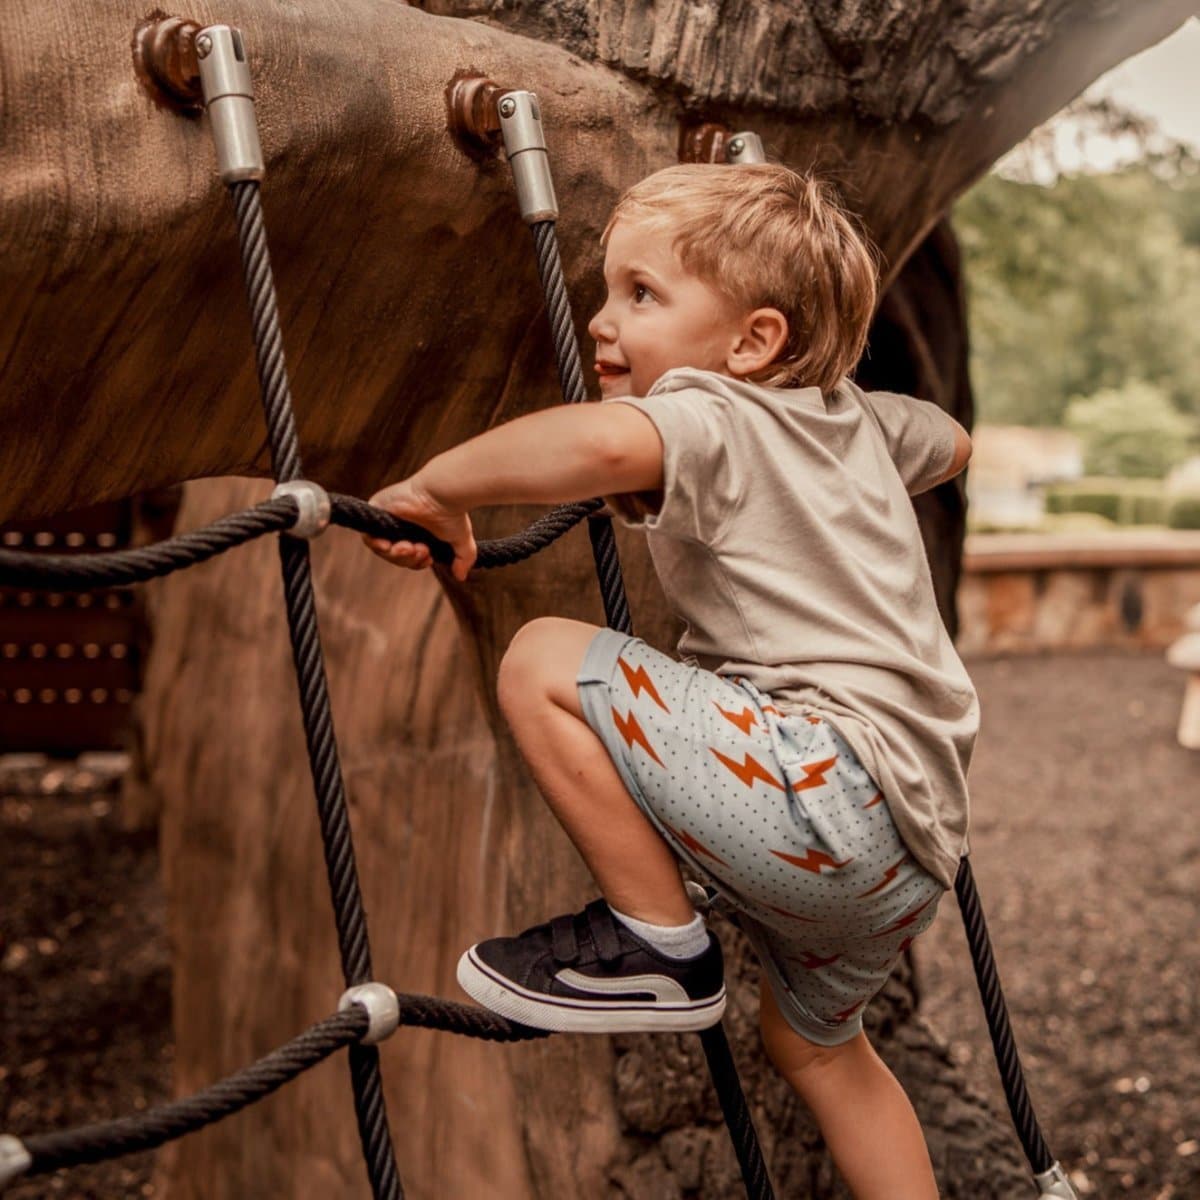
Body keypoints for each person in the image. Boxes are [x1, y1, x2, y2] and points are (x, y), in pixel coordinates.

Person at [364, 161, 977, 1199]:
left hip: (823, 790)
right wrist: (858, 444)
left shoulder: (715, 412)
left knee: (542, 658)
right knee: (821, 1052)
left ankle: (655, 942)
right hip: (915, 854)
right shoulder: (858, 423)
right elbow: (951, 442)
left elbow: (604, 443)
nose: (602, 321)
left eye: (642, 295)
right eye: (610, 291)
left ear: (753, 344)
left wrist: (436, 489)